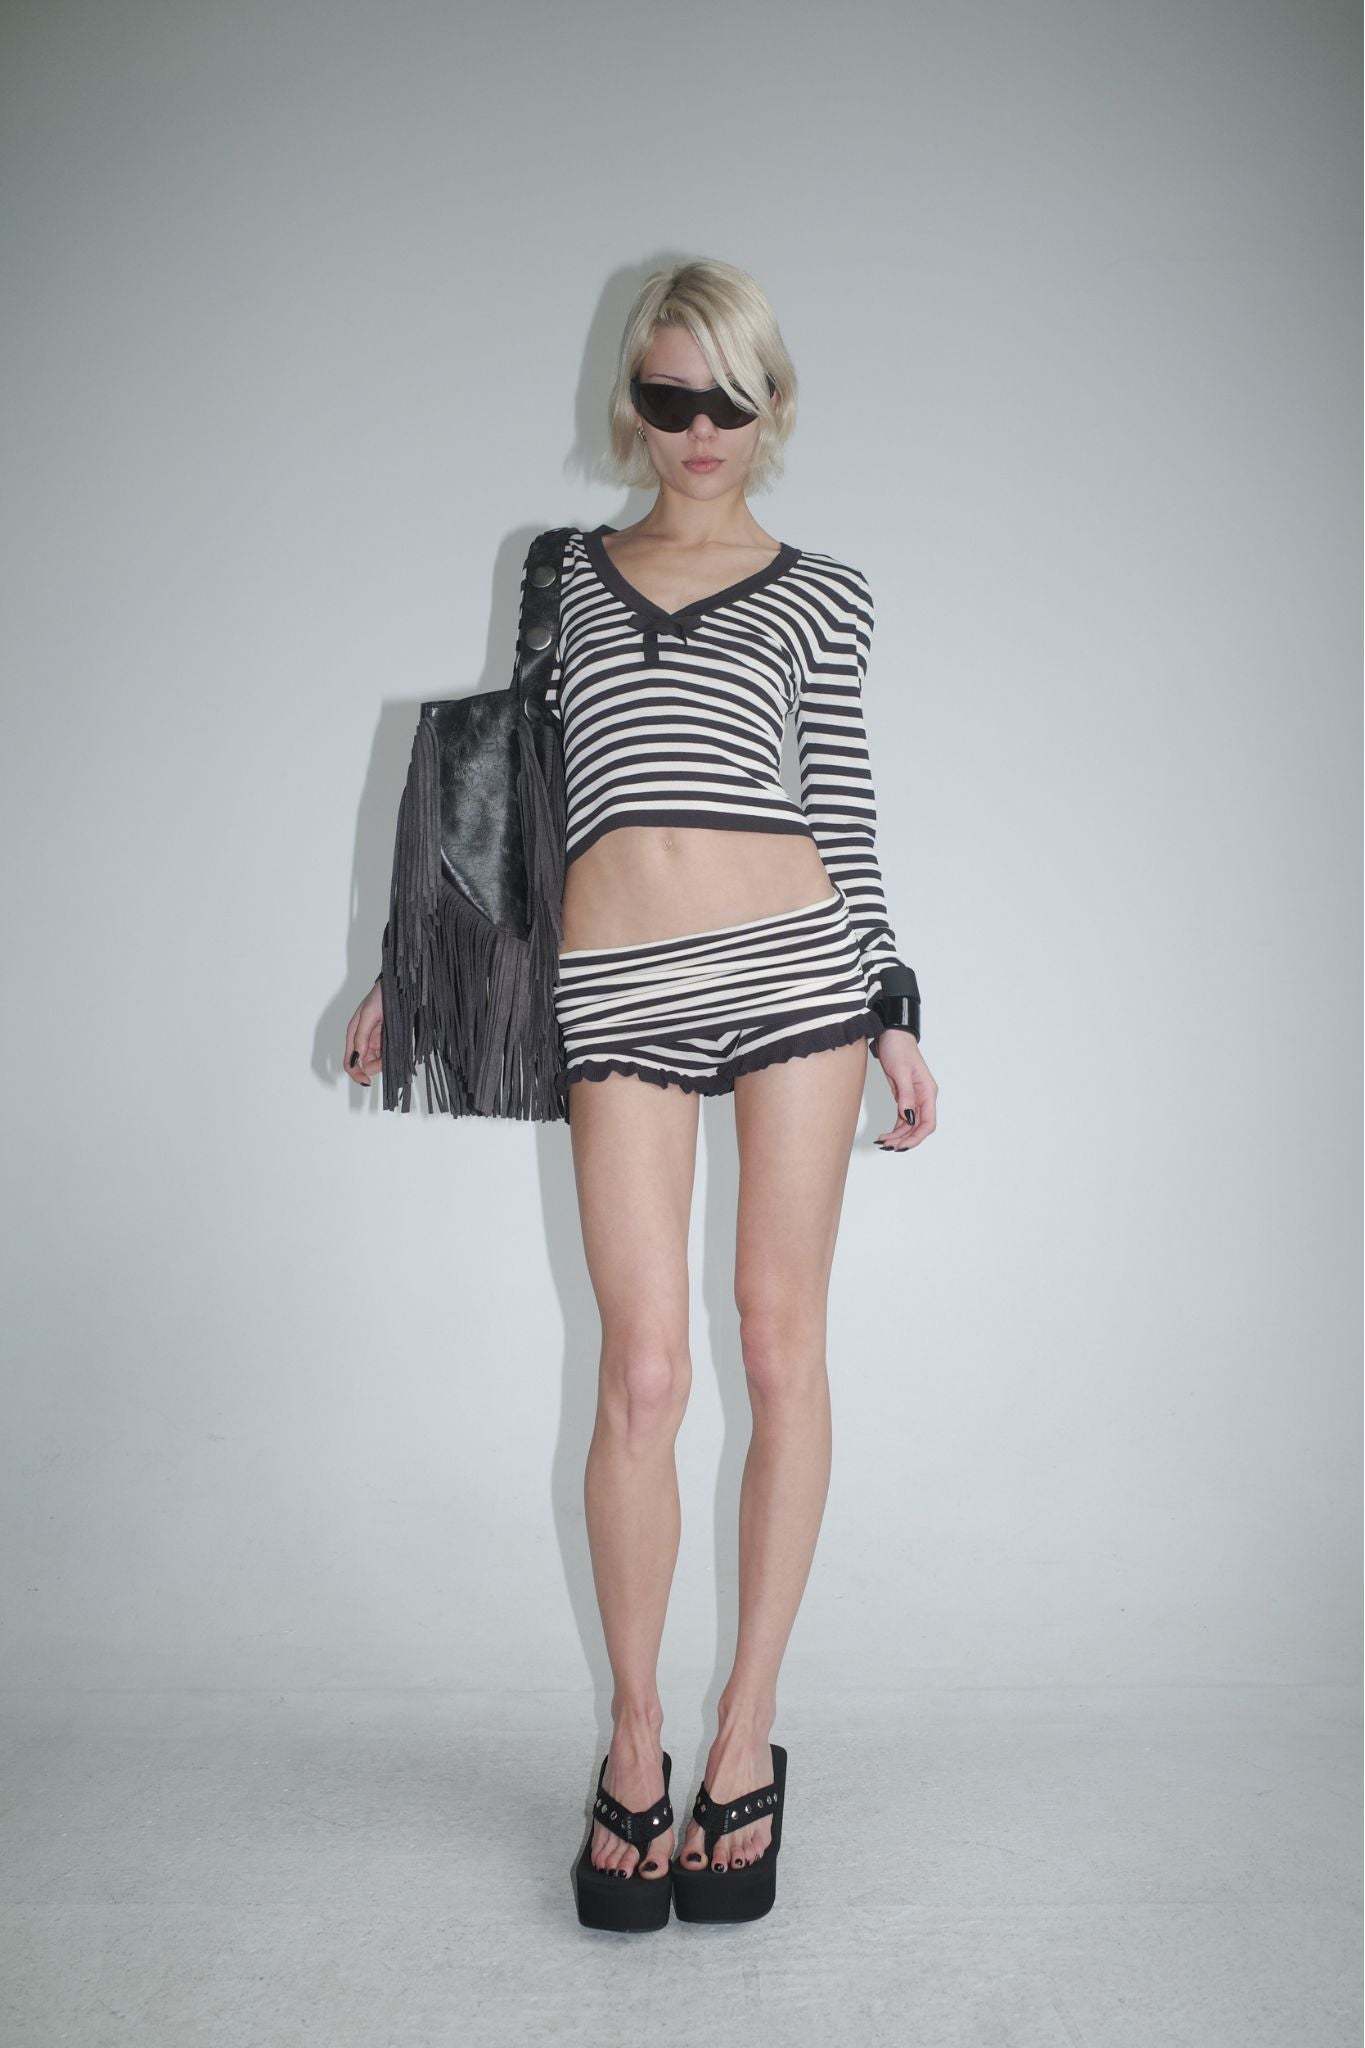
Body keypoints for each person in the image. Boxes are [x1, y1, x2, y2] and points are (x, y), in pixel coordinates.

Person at [344, 258, 938, 1930]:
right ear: (631, 402)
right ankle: (631, 1739)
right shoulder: (562, 577)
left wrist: (891, 1005)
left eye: (727, 400)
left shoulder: (824, 594)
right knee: (644, 1374)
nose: (697, 429)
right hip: (616, 989)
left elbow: (843, 808)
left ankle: (745, 1733)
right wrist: (412, 965)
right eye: (668, 398)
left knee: (775, 1343)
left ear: (771, 405)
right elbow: (513, 800)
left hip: (793, 974)